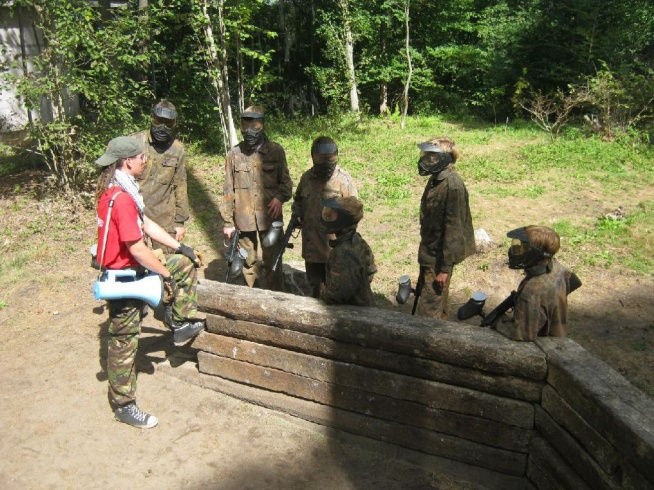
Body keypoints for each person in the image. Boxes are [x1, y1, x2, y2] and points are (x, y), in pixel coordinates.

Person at [95, 136, 204, 429]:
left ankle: (180, 323)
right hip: (125, 280)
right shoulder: (121, 199)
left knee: (182, 264)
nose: (145, 161)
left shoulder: (121, 191)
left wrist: (180, 248)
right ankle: (124, 405)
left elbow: (146, 224)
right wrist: (164, 275)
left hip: (132, 272)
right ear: (127, 161)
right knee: (123, 342)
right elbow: (137, 248)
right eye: (141, 157)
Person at [219, 105, 293, 290]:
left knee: (273, 262)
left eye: (255, 125)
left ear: (263, 125)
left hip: (270, 218)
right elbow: (228, 190)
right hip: (243, 219)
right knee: (247, 263)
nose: (250, 131)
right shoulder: (234, 155)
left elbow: (286, 184)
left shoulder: (275, 151)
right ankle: (250, 298)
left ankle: (276, 298)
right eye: (246, 125)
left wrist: (279, 198)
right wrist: (228, 221)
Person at [415, 137, 475, 319]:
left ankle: (428, 337)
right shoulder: (437, 179)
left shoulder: (452, 186)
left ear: (444, 158)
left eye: (431, 156)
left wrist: (444, 270)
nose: (426, 159)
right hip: (430, 253)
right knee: (436, 304)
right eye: (426, 155)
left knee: (429, 311)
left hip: (439, 258)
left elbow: (454, 229)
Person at [291, 136, 358, 297]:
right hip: (312, 247)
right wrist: (297, 213)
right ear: (314, 157)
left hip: (334, 249)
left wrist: (345, 241)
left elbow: (354, 212)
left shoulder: (343, 180)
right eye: (322, 158)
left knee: (335, 292)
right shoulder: (307, 178)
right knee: (314, 288)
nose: (327, 162)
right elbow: (298, 200)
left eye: (330, 158)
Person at [495, 226, 580, 341]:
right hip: (558, 335)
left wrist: (498, 321)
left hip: (545, 344)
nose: (514, 251)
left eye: (523, 247)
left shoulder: (531, 292)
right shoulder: (557, 269)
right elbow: (571, 282)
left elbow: (522, 334)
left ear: (535, 253)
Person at [132, 100, 189, 251]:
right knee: (135, 257)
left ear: (174, 124)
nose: (162, 128)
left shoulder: (177, 149)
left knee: (167, 259)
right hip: (133, 213)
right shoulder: (135, 143)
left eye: (168, 123)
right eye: (158, 121)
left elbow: (180, 185)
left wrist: (180, 222)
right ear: (152, 119)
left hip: (164, 216)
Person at [319, 196, 376, 306]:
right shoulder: (357, 240)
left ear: (343, 220)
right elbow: (370, 272)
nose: (326, 219)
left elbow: (336, 296)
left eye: (331, 216)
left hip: (353, 311)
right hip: (362, 306)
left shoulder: (344, 252)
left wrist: (323, 292)